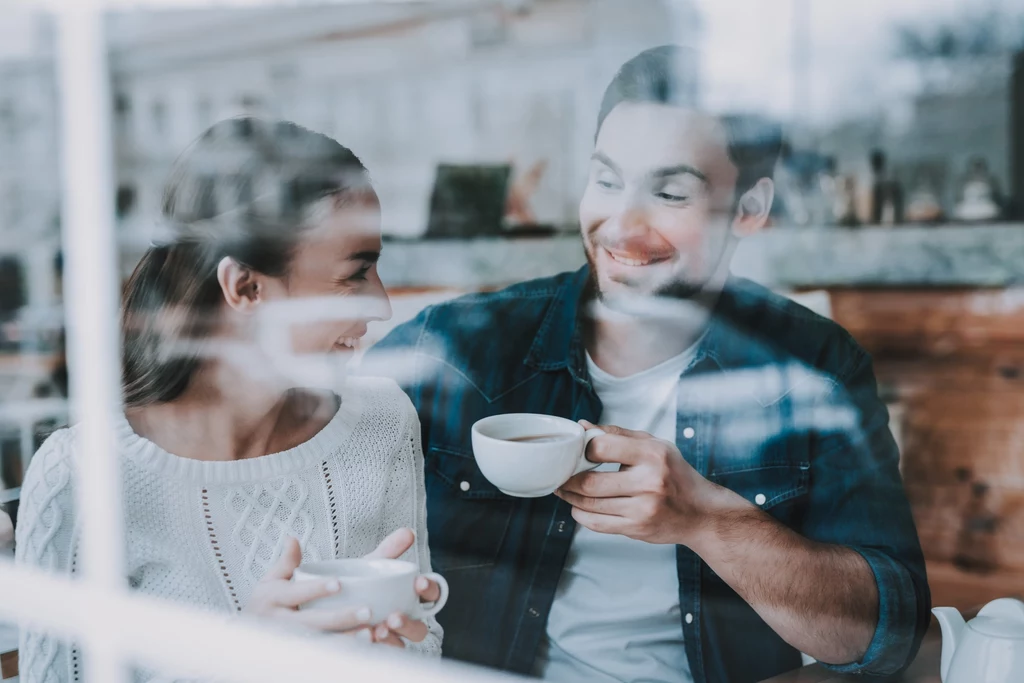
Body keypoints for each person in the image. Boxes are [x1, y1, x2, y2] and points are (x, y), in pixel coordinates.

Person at [365, 46, 929, 683]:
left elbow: (886, 636)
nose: (620, 227)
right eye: (607, 181)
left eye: (669, 192)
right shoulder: (455, 347)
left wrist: (707, 518)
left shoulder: (816, 368)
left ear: (749, 208)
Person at [16, 118, 443, 682]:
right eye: (354, 274)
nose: (382, 305)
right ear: (245, 287)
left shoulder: (382, 421)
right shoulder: (83, 479)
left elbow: (424, 643)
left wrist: (393, 647)